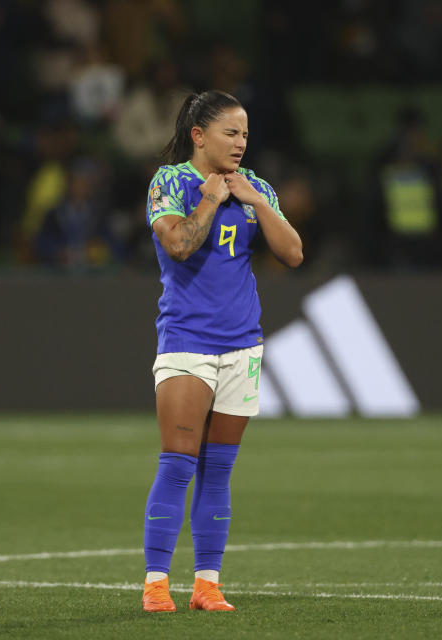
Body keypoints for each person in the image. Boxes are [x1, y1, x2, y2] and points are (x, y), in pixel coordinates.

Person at [139, 90, 302, 613]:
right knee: (178, 465)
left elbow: (293, 253)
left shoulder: (256, 187)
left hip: (243, 344)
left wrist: (253, 200)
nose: (241, 143)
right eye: (231, 133)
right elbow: (180, 245)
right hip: (188, 341)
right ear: (199, 135)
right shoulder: (170, 182)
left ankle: (207, 584)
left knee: (219, 468)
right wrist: (211, 198)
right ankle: (156, 584)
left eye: (246, 134)